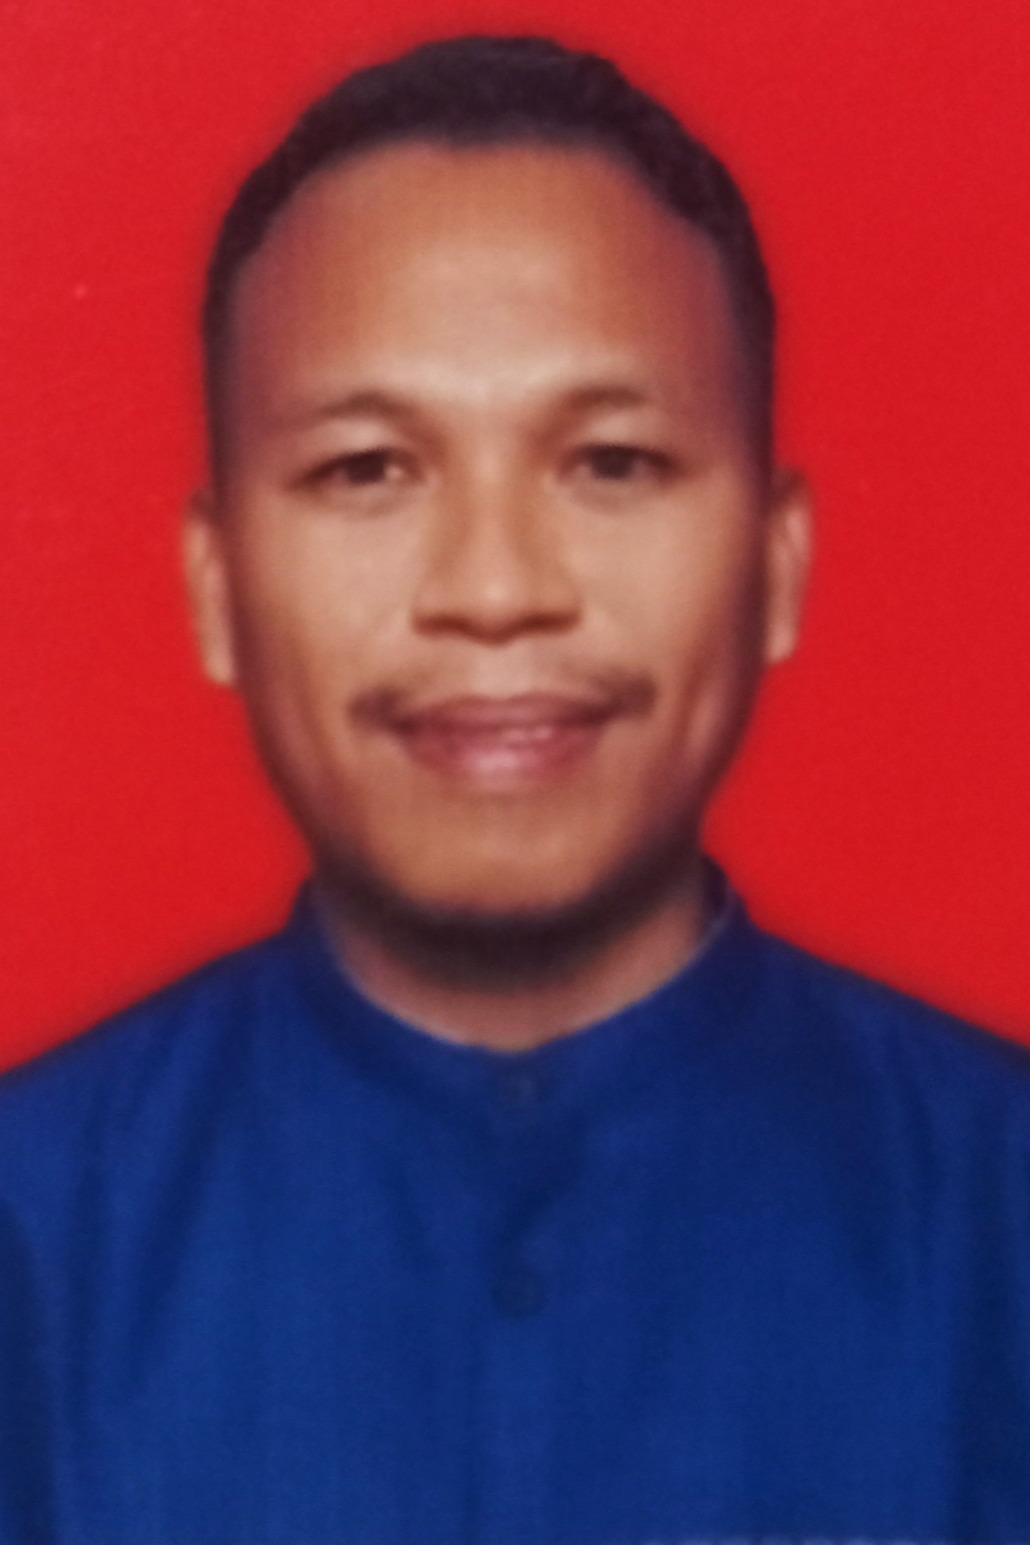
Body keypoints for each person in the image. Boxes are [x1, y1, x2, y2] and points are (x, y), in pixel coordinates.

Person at [1, 32, 1028, 1545]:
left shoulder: (999, 1216)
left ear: (778, 563)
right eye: (367, 470)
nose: (494, 592)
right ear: (215, 589)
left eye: (609, 462)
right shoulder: (30, 1235)